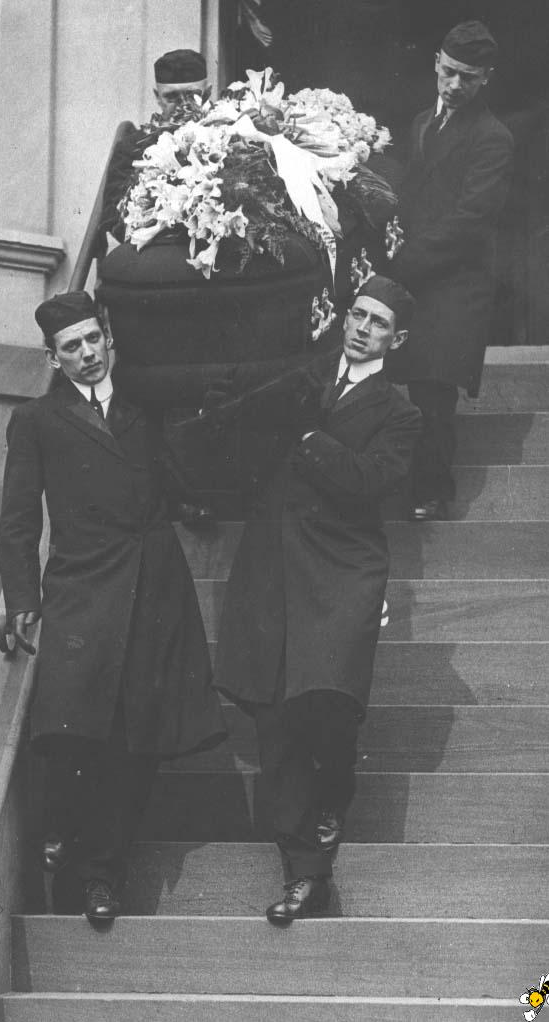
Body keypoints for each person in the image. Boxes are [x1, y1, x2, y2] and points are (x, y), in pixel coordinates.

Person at [0, 290, 225, 924]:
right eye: (71, 347)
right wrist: (22, 598)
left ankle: (103, 876)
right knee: (68, 728)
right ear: (54, 358)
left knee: (134, 739)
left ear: (108, 338)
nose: (87, 353)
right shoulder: (36, 421)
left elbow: (176, 472)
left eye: (93, 339)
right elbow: (18, 520)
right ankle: (63, 836)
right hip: (81, 585)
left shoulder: (141, 408)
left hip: (153, 585)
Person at [210, 275, 421, 923]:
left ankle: (334, 791)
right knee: (276, 719)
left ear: (396, 340)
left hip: (342, 569)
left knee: (328, 705)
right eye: (357, 314)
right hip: (273, 565)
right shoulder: (301, 378)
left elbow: (369, 480)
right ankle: (305, 875)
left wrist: (307, 438)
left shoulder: (400, 413)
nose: (361, 328)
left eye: (378, 323)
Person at [386, 20, 514, 521]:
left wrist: (400, 262)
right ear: (436, 63)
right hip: (417, 271)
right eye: (449, 72)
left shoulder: (493, 137)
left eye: (468, 77)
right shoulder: (422, 122)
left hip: (457, 280)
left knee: (433, 384)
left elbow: (470, 222)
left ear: (486, 79)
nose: (455, 85)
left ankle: (433, 490)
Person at [97, 49, 210, 254]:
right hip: (153, 250)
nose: (183, 105)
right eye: (171, 97)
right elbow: (112, 217)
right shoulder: (132, 147)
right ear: (158, 97)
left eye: (192, 95)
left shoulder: (226, 132)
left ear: (208, 92)